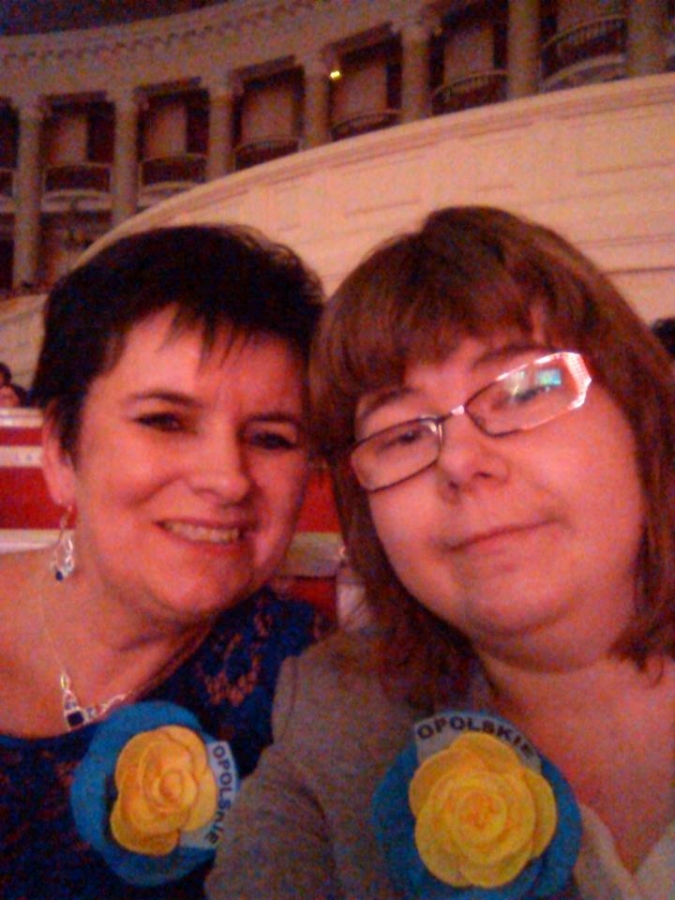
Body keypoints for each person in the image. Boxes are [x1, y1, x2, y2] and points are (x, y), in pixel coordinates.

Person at [207, 206, 675, 900]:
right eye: (401, 435)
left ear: (639, 413)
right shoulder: (343, 726)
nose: (458, 461)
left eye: (524, 389)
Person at [0, 224, 332, 899]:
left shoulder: (309, 690)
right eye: (165, 421)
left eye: (270, 438)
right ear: (61, 449)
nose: (228, 480)